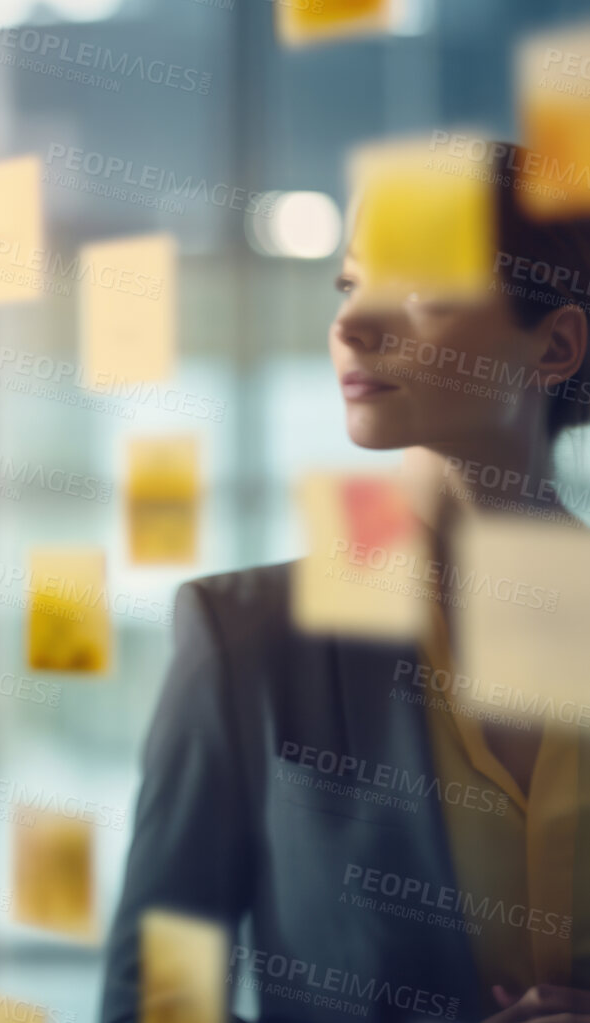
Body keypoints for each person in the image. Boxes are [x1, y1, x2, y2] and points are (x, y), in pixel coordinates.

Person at [101, 142, 590, 1022]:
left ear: (554, 343)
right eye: (347, 286)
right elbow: (159, 1002)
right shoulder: (245, 637)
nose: (353, 325)